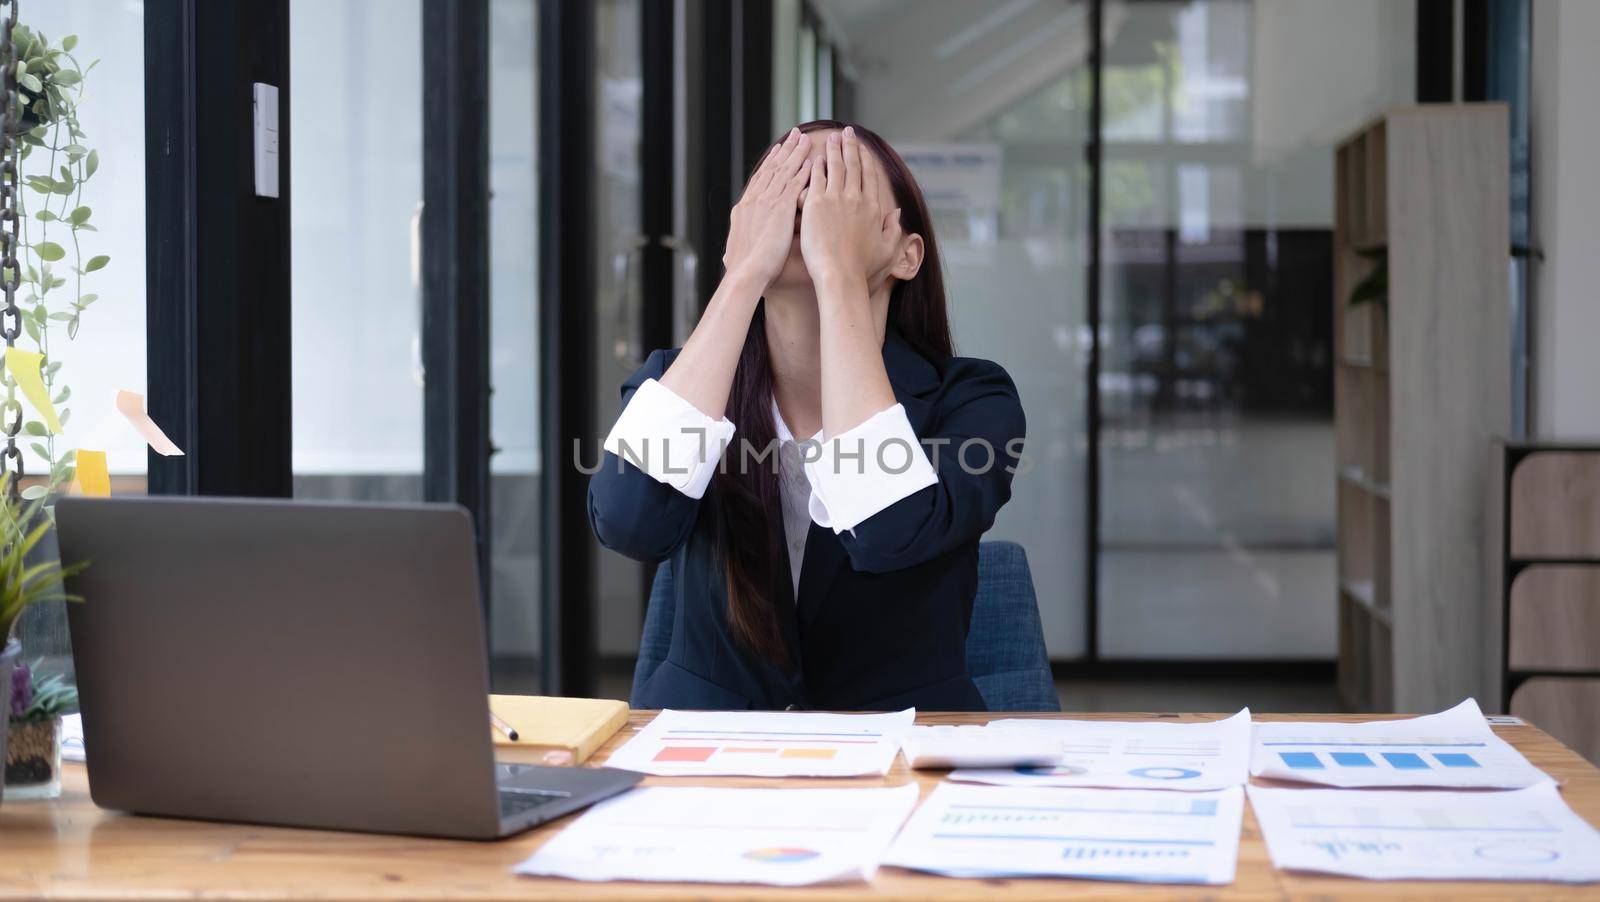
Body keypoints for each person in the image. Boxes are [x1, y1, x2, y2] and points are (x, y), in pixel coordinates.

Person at [589, 121, 1024, 711]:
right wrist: (741, 275)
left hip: (905, 754)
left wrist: (840, 276)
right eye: (785, 183)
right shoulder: (679, 379)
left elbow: (886, 533)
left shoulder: (971, 400)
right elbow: (629, 523)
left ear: (907, 254)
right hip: (707, 759)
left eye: (840, 186)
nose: (810, 203)